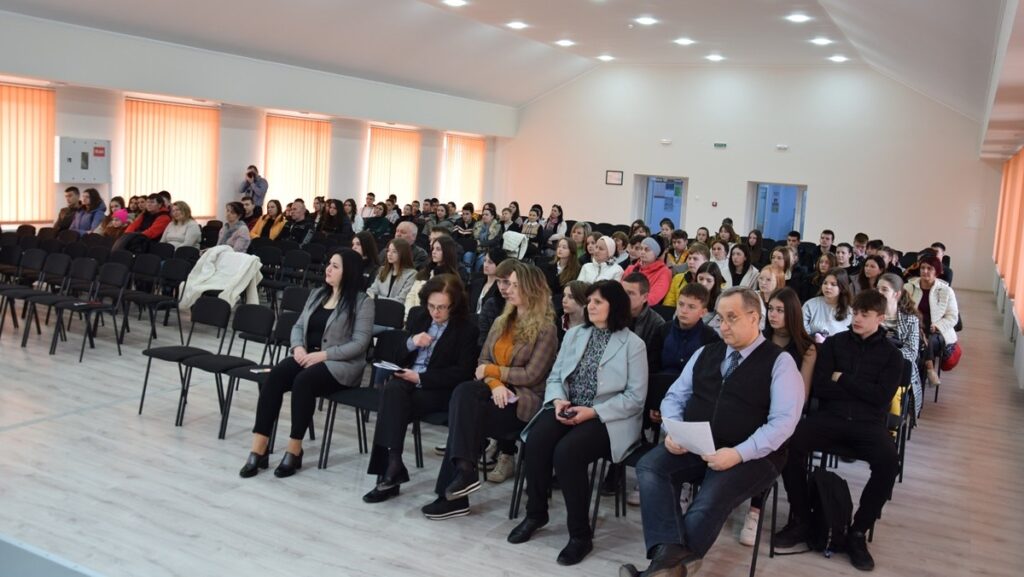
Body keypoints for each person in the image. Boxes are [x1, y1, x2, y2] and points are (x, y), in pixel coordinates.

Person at [621, 287, 804, 577]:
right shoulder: (707, 352)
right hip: (698, 443)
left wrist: (738, 454)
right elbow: (674, 397)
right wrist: (672, 429)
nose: (723, 325)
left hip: (754, 455)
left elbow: (783, 423)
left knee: (711, 496)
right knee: (651, 467)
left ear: (754, 317)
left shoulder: (780, 362)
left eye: (732, 317)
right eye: (720, 318)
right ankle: (673, 563)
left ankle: (660, 570)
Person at [509, 281, 647, 566]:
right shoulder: (575, 334)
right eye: (590, 301)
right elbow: (556, 376)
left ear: (614, 306)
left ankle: (580, 535)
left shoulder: (633, 345)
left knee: (567, 453)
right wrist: (559, 401)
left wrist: (592, 412)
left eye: (598, 302)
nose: (590, 306)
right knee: (537, 440)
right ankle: (536, 513)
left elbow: (635, 398)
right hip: (569, 406)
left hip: (608, 417)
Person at [775, 289, 902, 571]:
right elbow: (821, 387)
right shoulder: (835, 344)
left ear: (880, 318)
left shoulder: (892, 356)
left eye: (864, 314)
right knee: (789, 444)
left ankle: (857, 532)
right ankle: (802, 519)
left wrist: (842, 378)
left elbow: (881, 398)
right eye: (855, 313)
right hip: (831, 417)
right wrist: (860, 389)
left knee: (889, 462)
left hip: (868, 424)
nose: (857, 319)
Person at [422, 264, 558, 520]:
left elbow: (532, 375)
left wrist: (493, 373)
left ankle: (455, 492)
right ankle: (464, 474)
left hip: (522, 402)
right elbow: (482, 362)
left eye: (515, 285)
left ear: (532, 289)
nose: (508, 289)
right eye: (508, 284)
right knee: (464, 397)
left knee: (464, 416)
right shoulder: (501, 321)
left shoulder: (546, 329)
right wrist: (495, 384)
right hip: (493, 395)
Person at [240, 249, 373, 478]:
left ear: (349, 272)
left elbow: (360, 343)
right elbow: (298, 326)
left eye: (335, 266)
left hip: (340, 365)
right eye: (329, 264)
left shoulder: (363, 302)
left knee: (303, 381)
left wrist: (324, 355)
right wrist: (298, 348)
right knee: (276, 376)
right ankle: (259, 448)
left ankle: (294, 449)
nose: (328, 269)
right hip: (307, 356)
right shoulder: (318, 294)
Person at [363, 274, 480, 503]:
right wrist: (411, 342)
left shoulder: (466, 330)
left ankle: (391, 471)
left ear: (454, 305)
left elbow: (462, 372)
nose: (435, 312)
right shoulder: (420, 317)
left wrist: (420, 377)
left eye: (442, 307)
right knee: (393, 391)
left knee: (391, 400)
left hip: (437, 390)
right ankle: (393, 464)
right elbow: (396, 354)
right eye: (431, 306)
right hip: (407, 383)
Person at [905, 255, 958, 387]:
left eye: (929, 268)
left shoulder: (946, 290)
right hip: (913, 327)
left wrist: (938, 326)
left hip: (937, 331)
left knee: (927, 341)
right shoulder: (909, 287)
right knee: (918, 338)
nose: (925, 271)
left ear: (937, 272)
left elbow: (953, 317)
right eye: (923, 268)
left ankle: (920, 379)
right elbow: (901, 310)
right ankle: (928, 369)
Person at [878, 273, 923, 417]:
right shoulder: (869, 315)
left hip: (897, 368)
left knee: (892, 393)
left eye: (884, 289)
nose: (879, 292)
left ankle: (891, 428)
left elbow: (911, 352)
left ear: (896, 294)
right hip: (871, 366)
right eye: (877, 288)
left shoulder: (911, 320)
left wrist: (887, 356)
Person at [404, 236, 460, 317]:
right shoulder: (425, 271)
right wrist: (408, 314)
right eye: (433, 249)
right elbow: (411, 295)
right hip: (413, 314)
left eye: (438, 249)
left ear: (448, 252)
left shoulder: (451, 278)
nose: (434, 252)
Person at [802, 269, 854, 341]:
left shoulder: (850, 311)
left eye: (833, 284)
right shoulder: (810, 305)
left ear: (842, 287)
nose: (828, 287)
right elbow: (802, 330)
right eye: (825, 283)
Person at [623, 237, 672, 306]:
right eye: (641, 249)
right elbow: (620, 289)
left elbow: (653, 298)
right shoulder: (631, 268)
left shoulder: (664, 272)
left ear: (656, 253)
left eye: (647, 250)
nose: (642, 252)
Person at [367, 238, 417, 302]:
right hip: (377, 305)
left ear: (403, 254)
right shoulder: (382, 270)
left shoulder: (411, 274)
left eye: (394, 251)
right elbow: (371, 291)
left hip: (396, 307)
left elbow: (401, 299)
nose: (389, 254)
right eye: (388, 251)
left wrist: (376, 297)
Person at [662, 242, 710, 308]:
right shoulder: (677, 278)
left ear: (706, 262)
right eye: (689, 258)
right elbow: (668, 305)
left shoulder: (711, 281)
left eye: (695, 259)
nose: (691, 262)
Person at [622, 272, 665, 344]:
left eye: (630, 293)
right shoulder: (612, 314)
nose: (624, 296)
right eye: (622, 292)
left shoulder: (657, 324)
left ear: (645, 297)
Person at [469, 248, 508, 316]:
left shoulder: (501, 288)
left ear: (499, 264)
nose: (486, 265)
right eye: (485, 261)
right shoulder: (476, 282)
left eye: (490, 262)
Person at [471, 207, 503, 271]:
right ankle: (467, 275)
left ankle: (477, 275)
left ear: (492, 217)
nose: (484, 216)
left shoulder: (497, 227)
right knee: (468, 255)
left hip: (490, 250)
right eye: (483, 214)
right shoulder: (477, 225)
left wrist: (481, 243)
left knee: (481, 260)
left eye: (486, 214)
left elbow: (494, 241)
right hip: (476, 249)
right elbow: (473, 237)